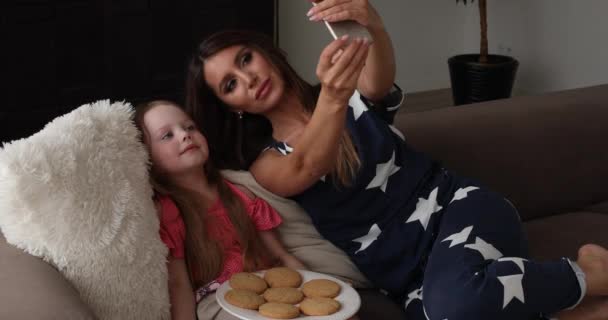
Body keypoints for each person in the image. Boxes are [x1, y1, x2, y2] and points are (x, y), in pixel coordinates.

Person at [185, 1, 608, 319]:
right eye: (230, 85)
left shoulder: (344, 94)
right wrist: (333, 96)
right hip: (410, 277)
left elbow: (378, 80)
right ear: (231, 107)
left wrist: (371, 23)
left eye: (245, 60)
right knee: (453, 309)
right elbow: (306, 167)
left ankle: (588, 274)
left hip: (461, 214)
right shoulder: (268, 162)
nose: (249, 79)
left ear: (264, 52)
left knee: (455, 306)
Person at [134, 100, 305, 320]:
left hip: (266, 290)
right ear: (149, 159)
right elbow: (178, 285)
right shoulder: (169, 213)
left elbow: (280, 255)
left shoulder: (240, 194)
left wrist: (316, 285)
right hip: (217, 302)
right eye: (167, 135)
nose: (185, 135)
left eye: (189, 127)